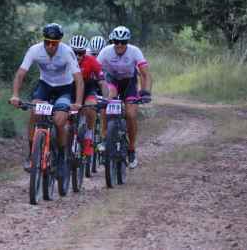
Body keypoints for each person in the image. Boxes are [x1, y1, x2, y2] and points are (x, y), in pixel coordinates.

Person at [10, 23, 84, 171]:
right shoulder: (34, 50)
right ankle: (32, 154)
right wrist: (15, 95)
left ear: (59, 42)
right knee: (35, 112)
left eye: (54, 43)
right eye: (47, 42)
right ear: (43, 40)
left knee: (59, 120)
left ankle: (62, 156)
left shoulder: (67, 52)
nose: (50, 46)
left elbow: (79, 79)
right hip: (45, 86)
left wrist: (77, 102)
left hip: (64, 88)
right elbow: (20, 75)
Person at [96, 26, 152, 169]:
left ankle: (131, 149)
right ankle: (104, 138)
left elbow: (146, 74)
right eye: (116, 41)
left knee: (131, 114)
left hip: (129, 83)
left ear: (127, 41)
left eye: (123, 42)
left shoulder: (135, 51)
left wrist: (145, 91)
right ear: (112, 41)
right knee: (106, 102)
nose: (120, 45)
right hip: (112, 81)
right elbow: (96, 71)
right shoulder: (105, 52)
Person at [69, 35, 108, 157]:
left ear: (85, 52)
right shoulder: (64, 59)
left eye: (81, 53)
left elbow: (102, 82)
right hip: (70, 87)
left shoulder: (91, 60)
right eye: (75, 53)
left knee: (90, 107)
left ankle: (88, 139)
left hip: (88, 87)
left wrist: (106, 99)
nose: (78, 56)